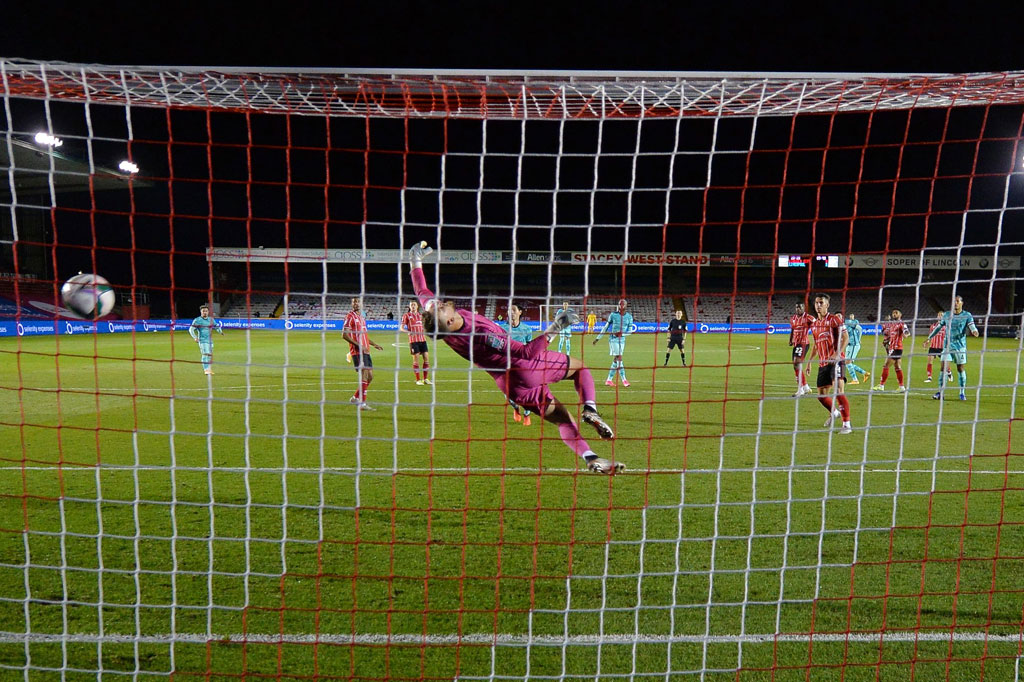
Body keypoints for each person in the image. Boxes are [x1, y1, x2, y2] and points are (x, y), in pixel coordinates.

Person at [408, 242, 623, 474]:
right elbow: (525, 353)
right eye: (439, 309)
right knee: (580, 369)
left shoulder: (440, 323)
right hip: (526, 366)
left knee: (562, 419)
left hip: (512, 386)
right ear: (448, 322)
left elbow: (422, 291)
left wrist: (415, 260)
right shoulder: (480, 335)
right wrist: (557, 326)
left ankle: (591, 458)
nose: (438, 304)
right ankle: (590, 408)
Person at [804, 293, 853, 434]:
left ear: (827, 305)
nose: (818, 305)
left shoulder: (835, 320)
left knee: (839, 391)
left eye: (821, 303)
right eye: (816, 303)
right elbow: (815, 345)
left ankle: (846, 425)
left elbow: (846, 337)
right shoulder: (814, 324)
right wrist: (809, 362)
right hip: (823, 363)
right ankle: (835, 413)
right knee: (821, 395)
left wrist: (838, 353)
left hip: (836, 361)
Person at [927, 295, 979, 401]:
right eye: (954, 301)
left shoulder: (967, 315)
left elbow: (971, 325)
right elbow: (939, 327)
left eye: (957, 301)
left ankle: (962, 392)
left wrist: (974, 331)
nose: (955, 303)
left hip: (960, 347)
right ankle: (940, 392)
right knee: (943, 367)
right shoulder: (946, 315)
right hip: (947, 346)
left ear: (961, 303)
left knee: (960, 368)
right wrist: (929, 338)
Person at [496, 303, 534, 426]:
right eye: (508, 310)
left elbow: (530, 348)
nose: (510, 312)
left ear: (520, 312)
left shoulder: (526, 329)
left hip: (523, 366)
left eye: (513, 310)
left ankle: (527, 414)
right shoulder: (502, 329)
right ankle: (516, 408)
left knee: (528, 392)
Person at [343, 297, 383, 410]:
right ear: (352, 304)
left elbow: (364, 335)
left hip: (366, 351)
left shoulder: (361, 317)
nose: (356, 303)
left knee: (370, 377)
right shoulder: (349, 316)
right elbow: (344, 335)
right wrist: (359, 345)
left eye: (358, 301)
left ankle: (355, 398)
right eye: (354, 302)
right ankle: (362, 404)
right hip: (357, 351)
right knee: (365, 375)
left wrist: (374, 344)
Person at [593, 299, 634, 387]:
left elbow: (630, 331)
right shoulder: (613, 315)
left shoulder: (629, 317)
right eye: (620, 304)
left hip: (622, 340)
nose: (621, 305)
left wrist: (622, 334)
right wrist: (598, 338)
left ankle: (608, 380)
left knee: (616, 360)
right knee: (619, 357)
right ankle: (624, 380)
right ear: (618, 305)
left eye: (623, 304)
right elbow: (606, 327)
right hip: (613, 339)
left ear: (626, 305)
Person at [872, 308, 909, 392]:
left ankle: (881, 385)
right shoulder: (892, 325)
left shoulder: (901, 324)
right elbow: (890, 336)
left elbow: (907, 332)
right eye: (893, 313)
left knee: (886, 365)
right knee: (897, 367)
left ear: (900, 315)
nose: (894, 314)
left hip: (896, 348)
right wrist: (885, 342)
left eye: (896, 313)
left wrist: (905, 334)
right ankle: (901, 387)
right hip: (893, 348)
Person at [400, 300, 431, 385]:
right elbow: (401, 327)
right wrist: (407, 332)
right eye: (411, 305)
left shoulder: (421, 316)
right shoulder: (406, 316)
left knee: (426, 358)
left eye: (414, 305)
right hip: (413, 341)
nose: (413, 306)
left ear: (417, 306)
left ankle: (425, 379)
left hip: (422, 340)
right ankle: (418, 380)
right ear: (409, 307)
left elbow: (424, 327)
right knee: (416, 359)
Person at [188, 304, 224, 375]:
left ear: (208, 312)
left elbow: (216, 326)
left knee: (209, 355)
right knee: (205, 354)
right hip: (202, 340)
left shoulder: (211, 319)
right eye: (203, 311)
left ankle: (209, 369)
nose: (205, 312)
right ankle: (206, 370)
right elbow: (191, 329)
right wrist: (195, 337)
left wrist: (220, 331)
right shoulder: (197, 320)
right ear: (201, 312)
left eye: (206, 311)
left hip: (210, 340)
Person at [789, 302, 815, 396]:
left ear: (804, 308)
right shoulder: (793, 319)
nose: (798, 309)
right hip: (796, 344)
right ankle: (806, 387)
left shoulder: (809, 318)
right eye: (796, 307)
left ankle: (800, 389)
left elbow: (816, 325)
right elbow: (792, 329)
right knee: (796, 365)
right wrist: (790, 340)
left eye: (800, 307)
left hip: (803, 343)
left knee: (796, 364)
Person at [923, 310, 950, 383]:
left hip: (942, 347)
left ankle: (949, 372)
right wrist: (927, 341)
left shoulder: (946, 327)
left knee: (945, 363)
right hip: (933, 347)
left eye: (942, 315)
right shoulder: (933, 326)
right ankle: (929, 377)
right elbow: (930, 335)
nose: (940, 316)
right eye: (939, 315)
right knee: (929, 361)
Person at [844, 313, 869, 384]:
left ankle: (855, 380)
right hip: (849, 345)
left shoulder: (849, 323)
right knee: (848, 363)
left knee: (848, 362)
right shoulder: (841, 326)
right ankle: (864, 373)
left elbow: (860, 329)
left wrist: (859, 338)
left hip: (854, 344)